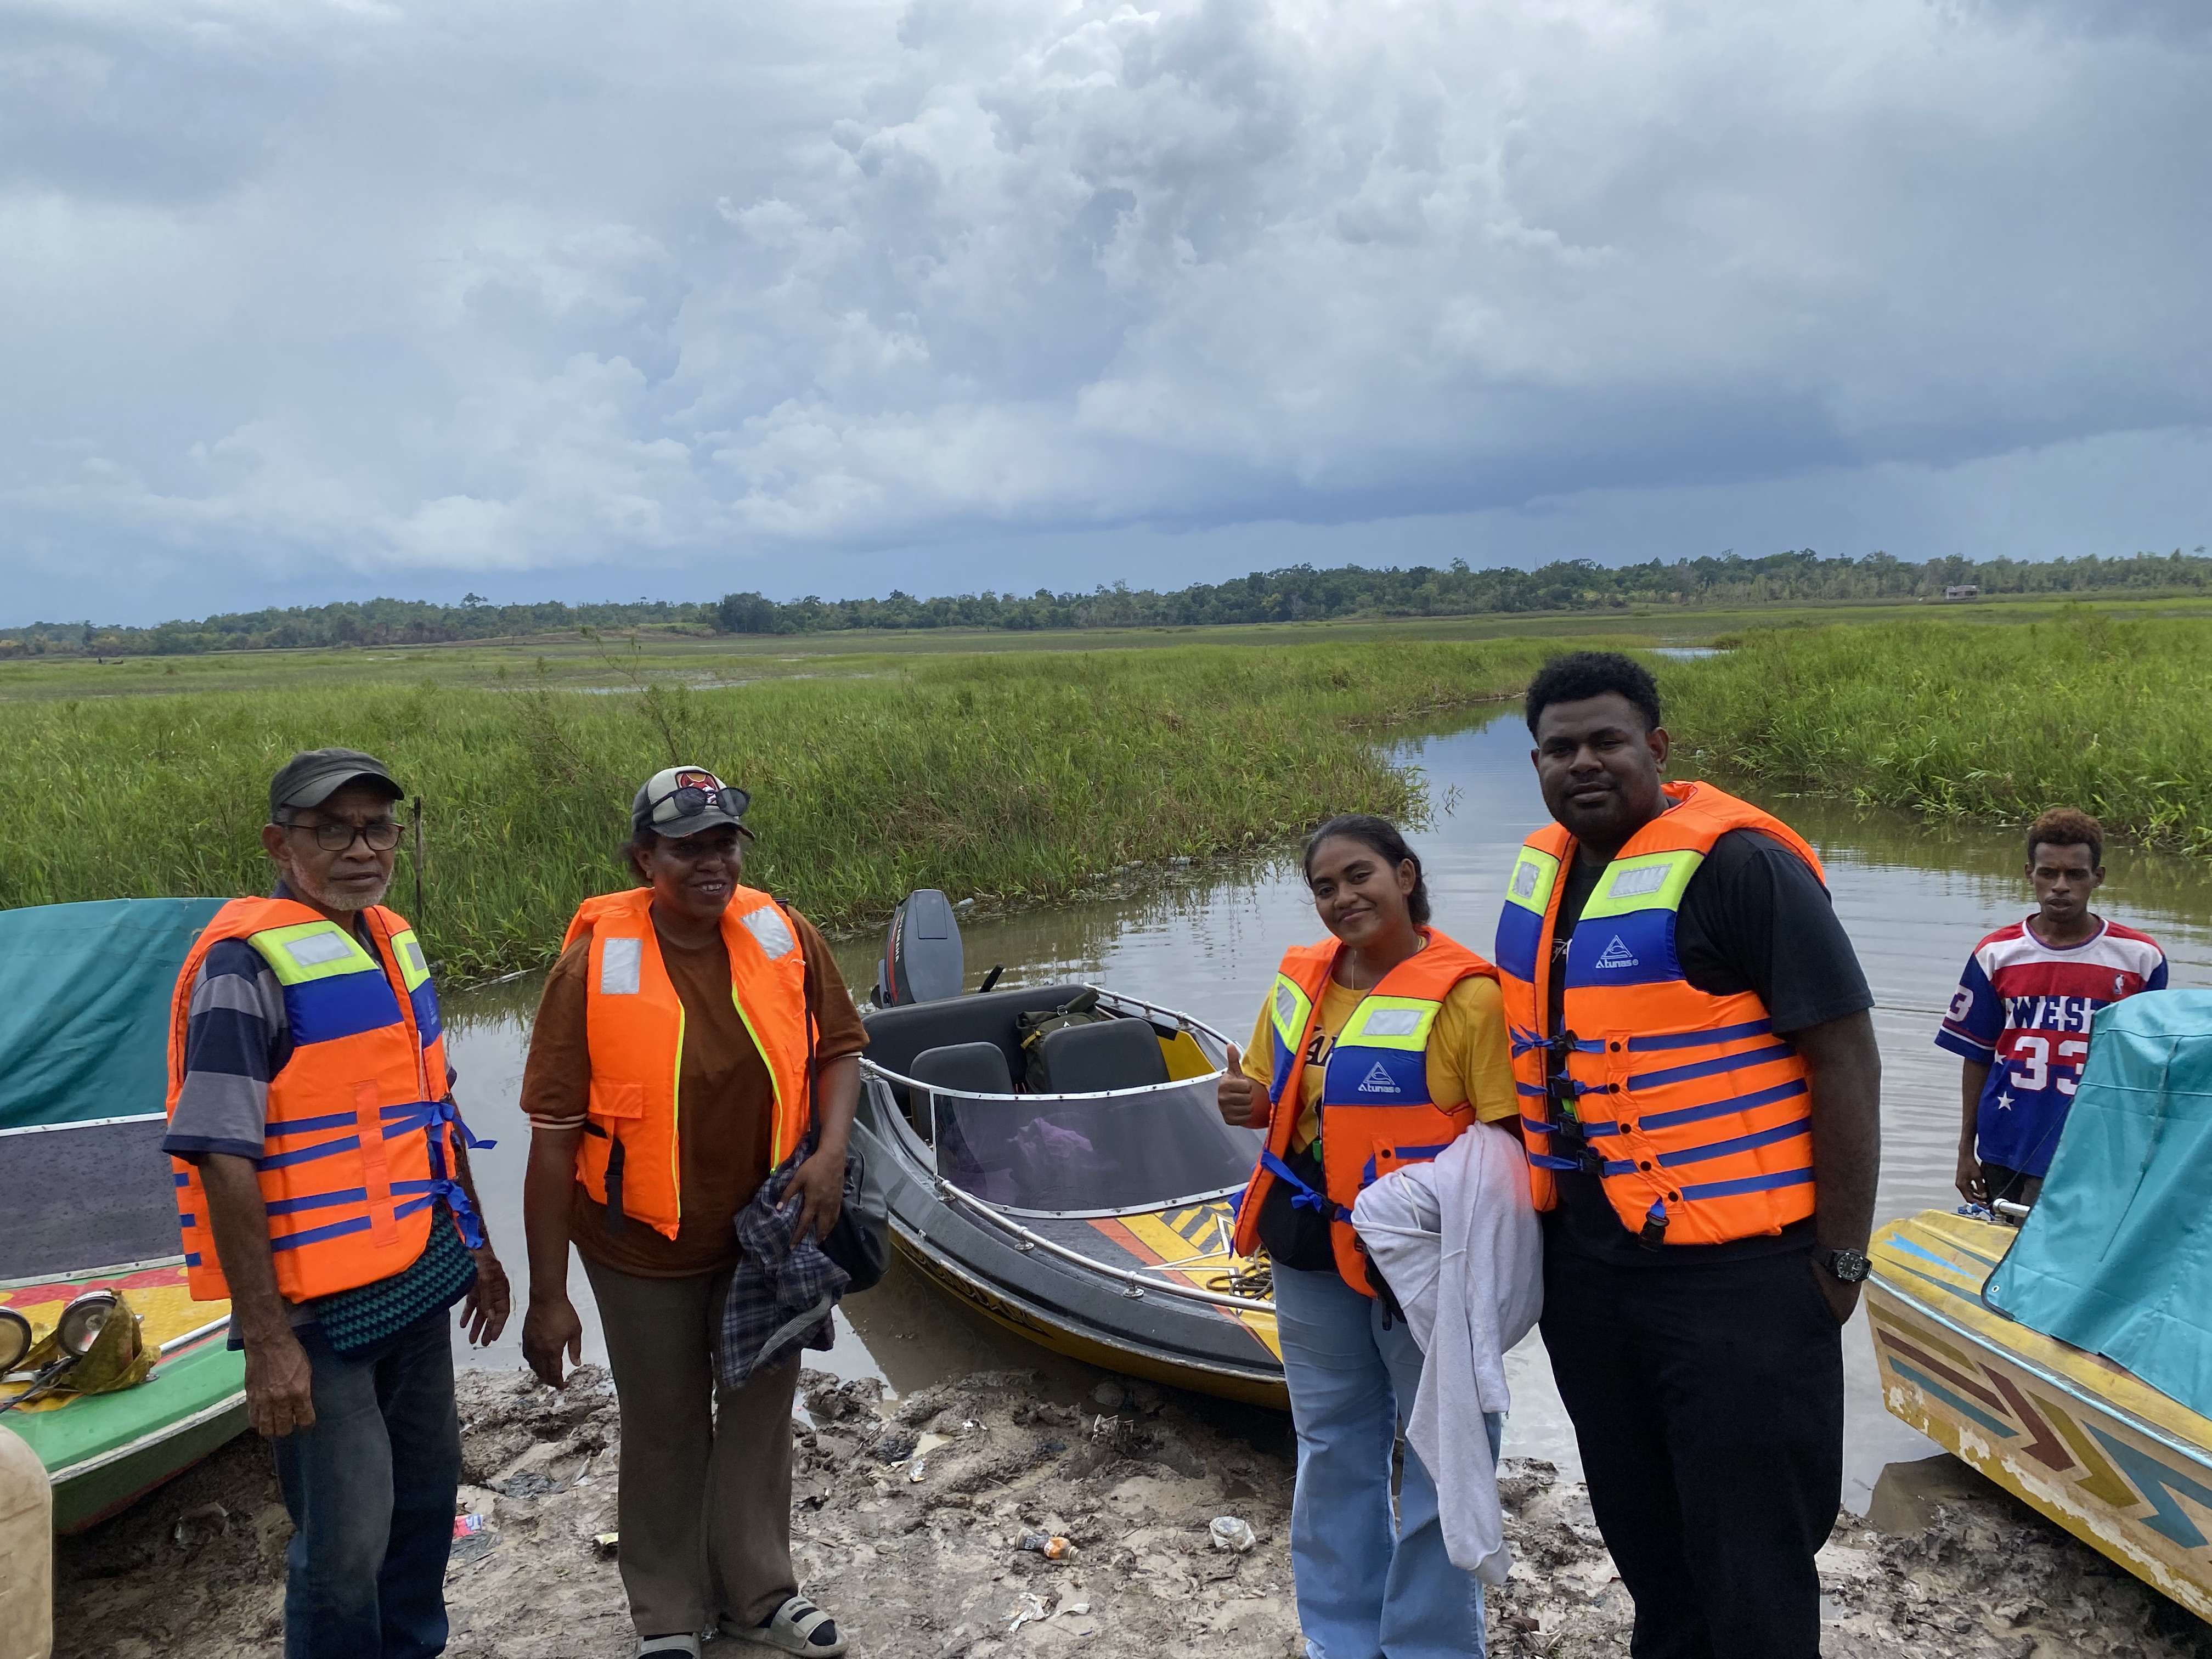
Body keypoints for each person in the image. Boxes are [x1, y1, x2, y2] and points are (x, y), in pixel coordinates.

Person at [1497, 652, 1881, 1659]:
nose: (1583, 762)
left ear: (1656, 748)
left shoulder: (1742, 866)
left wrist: (1840, 1261)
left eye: (1606, 741)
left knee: (1751, 1554)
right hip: (1589, 1272)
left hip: (1740, 1279)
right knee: (1645, 1539)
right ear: (1534, 759)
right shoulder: (1543, 875)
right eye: (1560, 747)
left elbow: (1842, 1053)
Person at [162, 747, 510, 1659]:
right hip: (314, 1312)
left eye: (377, 825)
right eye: (332, 828)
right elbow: (219, 1152)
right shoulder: (245, 968)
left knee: (427, 1503)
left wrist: (477, 1243)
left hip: (414, 1277)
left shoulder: (392, 937)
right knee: (346, 1538)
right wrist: (267, 1335)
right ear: (282, 843)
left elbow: (435, 1102)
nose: (362, 846)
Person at [519, 767, 865, 1659]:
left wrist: (829, 1155)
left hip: (768, 1223)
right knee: (665, 1418)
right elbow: (553, 1136)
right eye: (687, 845)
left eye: (725, 840)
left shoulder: (784, 930)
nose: (713, 860)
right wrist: (547, 1294)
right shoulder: (592, 964)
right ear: (645, 857)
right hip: (641, 1240)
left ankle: (758, 1593)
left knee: (759, 1406)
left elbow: (839, 1051)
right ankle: (670, 1613)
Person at [1218, 815, 1517, 1659]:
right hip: (1310, 1251)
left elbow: (1504, 1144)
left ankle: (1428, 1648)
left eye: (1360, 877)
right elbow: (1269, 1094)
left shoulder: (1469, 996)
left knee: (1441, 1458)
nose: (1343, 898)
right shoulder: (1300, 980)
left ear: (1407, 875)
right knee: (1332, 1448)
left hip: (1422, 1268)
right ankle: (1342, 1641)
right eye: (1324, 887)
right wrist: (1246, 1105)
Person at [1938, 806, 2168, 1214]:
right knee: (2002, 1255)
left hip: (2093, 1146)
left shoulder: (2140, 959)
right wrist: (1964, 1149)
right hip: (2007, 1138)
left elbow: (2148, 1069)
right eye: (2048, 873)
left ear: (2098, 877)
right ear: (2030, 873)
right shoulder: (1997, 955)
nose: (2060, 887)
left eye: (2075, 875)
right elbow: (1978, 1055)